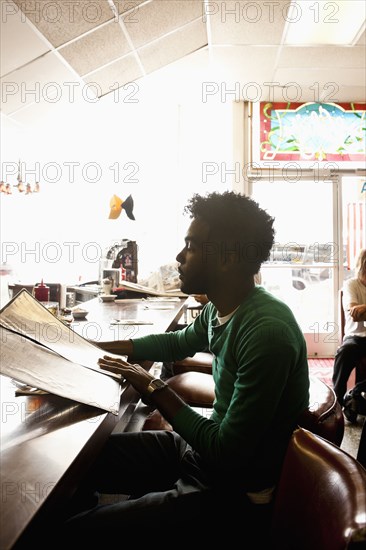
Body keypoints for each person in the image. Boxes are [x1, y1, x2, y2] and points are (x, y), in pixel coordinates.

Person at [61, 191, 309, 546]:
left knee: (74, 533)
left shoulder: (267, 332)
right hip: (202, 455)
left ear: (225, 259)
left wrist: (153, 386)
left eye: (190, 245)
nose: (179, 256)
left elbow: (227, 451)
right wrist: (94, 348)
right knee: (81, 463)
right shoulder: (224, 307)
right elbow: (174, 343)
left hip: (231, 488)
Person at [332, 248, 366, 416]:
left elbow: (360, 312)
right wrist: (359, 310)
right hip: (356, 337)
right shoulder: (351, 284)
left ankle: (354, 394)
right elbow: (355, 314)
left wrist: (363, 309)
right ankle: (337, 402)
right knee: (345, 352)